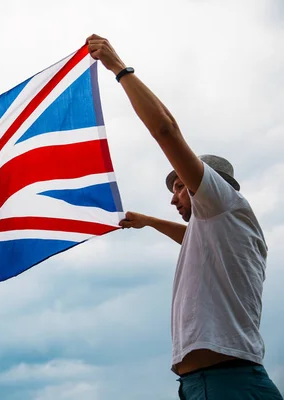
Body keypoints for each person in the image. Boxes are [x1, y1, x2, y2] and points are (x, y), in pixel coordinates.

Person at [86, 34, 283, 399]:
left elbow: (165, 131)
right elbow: (191, 238)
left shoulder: (224, 201)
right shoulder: (225, 229)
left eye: (180, 186)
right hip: (213, 383)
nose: (176, 196)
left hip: (227, 385)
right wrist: (149, 221)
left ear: (211, 185)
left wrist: (119, 68)